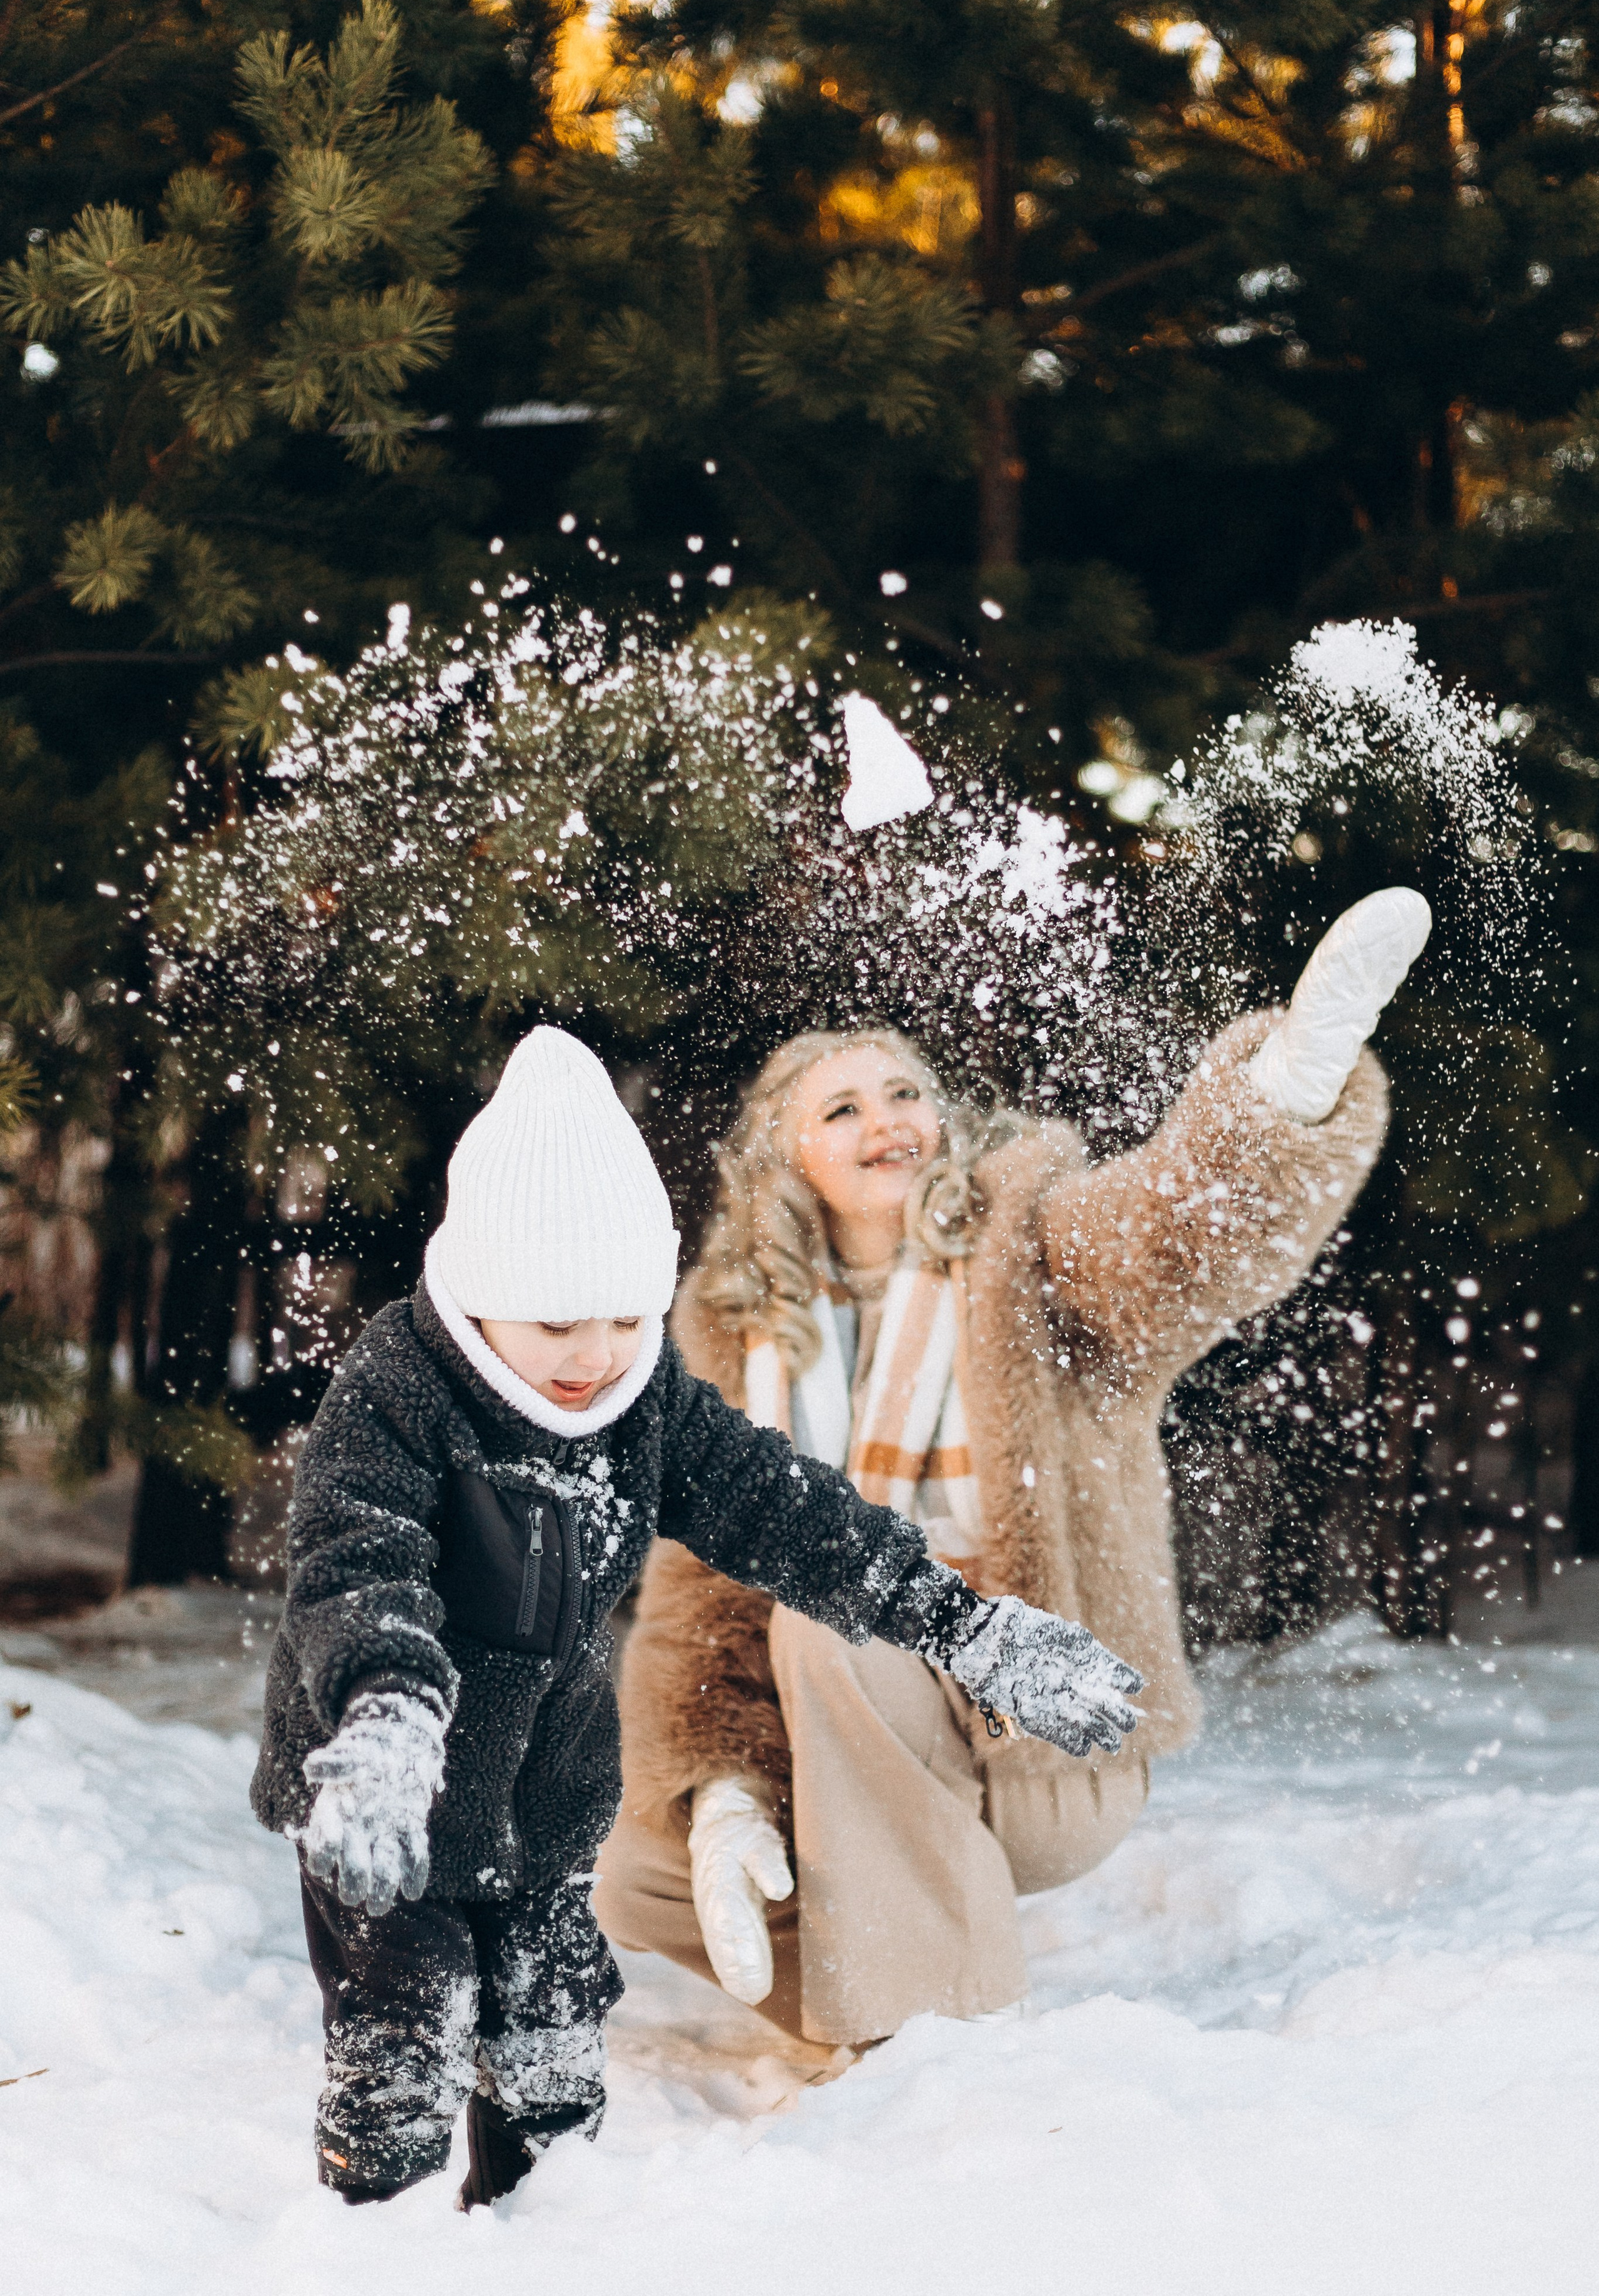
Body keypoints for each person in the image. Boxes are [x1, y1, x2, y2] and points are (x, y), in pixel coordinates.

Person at [250, 1025, 1142, 2211]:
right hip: (392, 1789)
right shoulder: (398, 1396)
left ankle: (536, 2238)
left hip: (540, 1792)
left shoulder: (642, 1397)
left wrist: (965, 1627)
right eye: (556, 1321)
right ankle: (379, 2247)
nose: (593, 1355)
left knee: (551, 2049)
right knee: (408, 2040)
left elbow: (794, 1516)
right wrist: (390, 1724)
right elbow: (359, 1572)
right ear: (476, 1295)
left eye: (622, 1317)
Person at [596, 888, 1430, 2051]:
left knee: (835, 1614)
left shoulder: (1035, 1251)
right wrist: (729, 1795)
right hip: (834, 1736)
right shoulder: (740, 1340)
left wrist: (1285, 1087)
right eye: (843, 1107)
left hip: (1040, 1733)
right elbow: (702, 1595)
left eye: (906, 1092)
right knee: (640, 1870)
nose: (888, 1118)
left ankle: (927, 2035)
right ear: (784, 1160)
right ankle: (892, 2005)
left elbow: (1176, 1233)